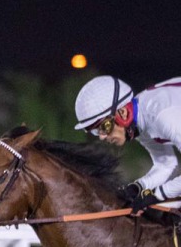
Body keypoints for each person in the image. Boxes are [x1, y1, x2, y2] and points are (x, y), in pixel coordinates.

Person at [74, 75, 181, 208]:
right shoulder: (140, 123)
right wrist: (138, 187)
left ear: (123, 113)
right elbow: (166, 164)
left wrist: (158, 195)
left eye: (104, 127)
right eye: (95, 131)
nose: (101, 137)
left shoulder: (163, 115)